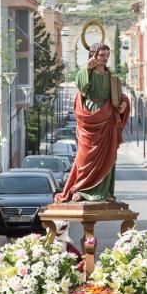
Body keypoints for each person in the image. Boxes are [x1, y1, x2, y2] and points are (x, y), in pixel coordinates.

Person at [55, 43, 130, 203]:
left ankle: (104, 192)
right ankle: (81, 189)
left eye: (107, 55)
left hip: (108, 117)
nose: (105, 58)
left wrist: (124, 102)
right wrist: (87, 69)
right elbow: (81, 87)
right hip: (90, 117)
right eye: (102, 55)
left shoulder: (111, 76)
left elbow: (118, 94)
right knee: (85, 156)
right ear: (94, 55)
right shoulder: (86, 72)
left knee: (108, 155)